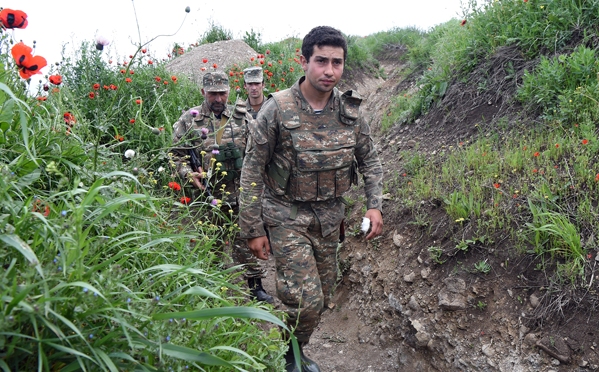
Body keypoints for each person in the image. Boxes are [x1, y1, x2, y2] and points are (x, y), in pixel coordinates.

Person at [238, 26, 384, 372]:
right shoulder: (277, 109)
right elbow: (252, 170)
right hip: (285, 217)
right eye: (321, 61)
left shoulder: (350, 113)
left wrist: (374, 204)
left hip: (330, 218)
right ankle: (290, 358)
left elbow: (370, 160)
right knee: (305, 299)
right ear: (304, 61)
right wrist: (252, 228)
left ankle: (294, 346)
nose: (329, 71)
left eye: (337, 62)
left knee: (322, 298)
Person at [170, 70, 274, 304]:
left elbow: (259, 151)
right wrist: (188, 173)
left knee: (245, 240)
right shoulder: (190, 119)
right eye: (213, 94)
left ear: (229, 91)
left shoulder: (242, 116)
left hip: (239, 193)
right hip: (207, 196)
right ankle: (211, 289)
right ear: (203, 92)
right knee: (210, 244)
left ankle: (255, 286)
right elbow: (175, 155)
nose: (218, 99)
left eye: (222, 93)